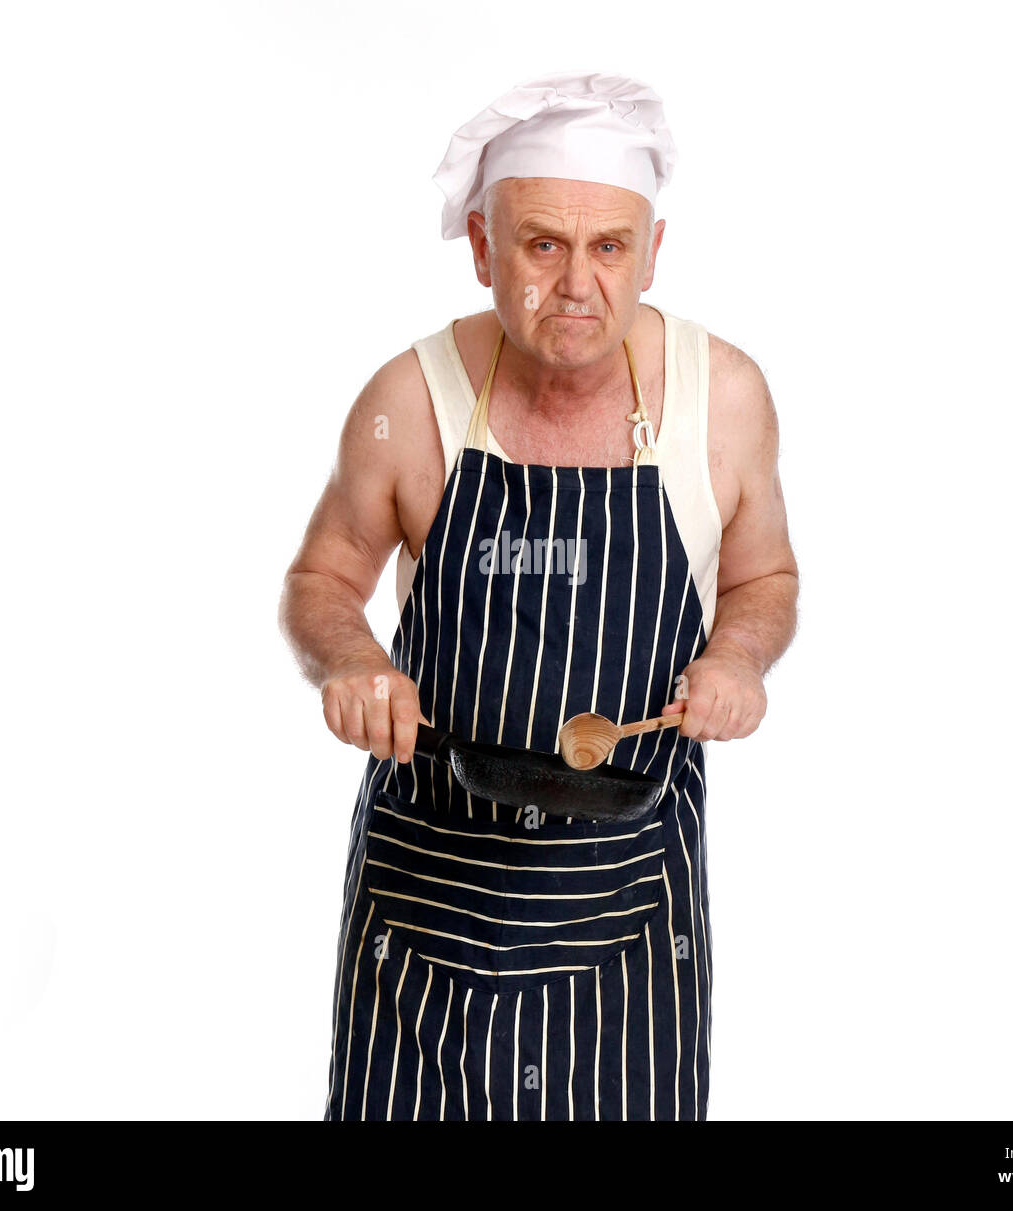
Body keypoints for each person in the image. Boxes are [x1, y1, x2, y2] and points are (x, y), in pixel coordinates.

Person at [279, 71, 798, 1121]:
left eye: (608, 246)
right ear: (481, 246)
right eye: (542, 244)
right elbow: (322, 576)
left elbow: (764, 576)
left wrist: (738, 655)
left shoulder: (722, 397)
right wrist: (351, 660)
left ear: (652, 250)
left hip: (629, 907)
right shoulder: (407, 403)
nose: (576, 283)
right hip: (426, 904)